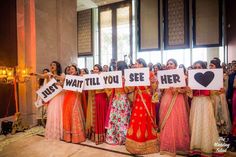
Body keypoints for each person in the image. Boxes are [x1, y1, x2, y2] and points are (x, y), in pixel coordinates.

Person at [125, 58, 159, 155]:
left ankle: (147, 143)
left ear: (141, 64)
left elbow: (155, 88)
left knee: (146, 118)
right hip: (138, 99)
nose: (135, 65)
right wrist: (126, 81)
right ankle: (134, 143)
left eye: (137, 64)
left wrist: (154, 82)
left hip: (147, 98)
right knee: (136, 119)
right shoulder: (134, 74)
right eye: (135, 64)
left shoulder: (150, 73)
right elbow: (130, 89)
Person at [159, 59, 190, 156]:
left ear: (175, 65)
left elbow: (187, 90)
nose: (169, 65)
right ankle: (167, 143)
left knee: (177, 120)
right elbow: (161, 89)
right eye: (167, 64)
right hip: (166, 98)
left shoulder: (183, 76)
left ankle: (178, 144)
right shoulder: (163, 76)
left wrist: (177, 90)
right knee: (167, 120)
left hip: (177, 100)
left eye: (171, 64)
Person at [189, 60, 219, 156]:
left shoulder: (209, 77)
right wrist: (187, 90)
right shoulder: (191, 78)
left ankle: (207, 147)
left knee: (206, 123)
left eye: (199, 67)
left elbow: (215, 92)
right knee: (196, 123)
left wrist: (220, 90)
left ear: (203, 68)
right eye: (195, 67)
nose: (197, 69)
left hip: (206, 102)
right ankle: (196, 146)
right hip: (196, 102)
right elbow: (190, 95)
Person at [105, 61, 131, 145]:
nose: (115, 68)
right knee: (114, 119)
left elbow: (128, 90)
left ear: (120, 67)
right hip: (115, 100)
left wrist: (125, 82)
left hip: (123, 99)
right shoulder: (115, 76)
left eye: (116, 66)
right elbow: (110, 88)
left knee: (123, 120)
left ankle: (122, 138)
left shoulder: (127, 77)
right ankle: (113, 137)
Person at [62, 65, 86, 143]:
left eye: (73, 69)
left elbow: (81, 90)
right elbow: (65, 90)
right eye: (70, 69)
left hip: (75, 97)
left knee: (75, 114)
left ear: (76, 71)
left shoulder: (79, 78)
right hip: (68, 98)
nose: (71, 70)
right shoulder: (67, 78)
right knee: (67, 115)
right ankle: (68, 137)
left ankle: (77, 136)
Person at [86, 64, 108, 144]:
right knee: (95, 117)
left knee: (101, 116)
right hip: (94, 99)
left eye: (97, 69)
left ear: (100, 70)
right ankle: (95, 135)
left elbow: (107, 89)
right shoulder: (91, 78)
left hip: (101, 99)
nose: (95, 70)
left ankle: (102, 136)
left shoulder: (103, 77)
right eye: (94, 69)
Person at [209, 59, 231, 135]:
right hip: (212, 96)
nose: (210, 67)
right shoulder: (209, 75)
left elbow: (226, 87)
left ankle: (222, 130)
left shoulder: (223, 75)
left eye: (212, 65)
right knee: (213, 112)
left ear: (217, 65)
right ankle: (214, 129)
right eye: (210, 65)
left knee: (221, 112)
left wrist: (222, 90)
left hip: (220, 96)